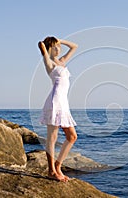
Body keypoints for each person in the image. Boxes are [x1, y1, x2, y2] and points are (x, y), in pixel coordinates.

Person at [38, 36, 78, 182]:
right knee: (52, 137)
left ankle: (57, 165)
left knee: (72, 137)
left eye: (58, 47)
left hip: (63, 103)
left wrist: (60, 40)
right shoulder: (48, 62)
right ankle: (51, 171)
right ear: (49, 49)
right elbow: (40, 44)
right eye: (54, 47)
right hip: (54, 102)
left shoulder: (61, 62)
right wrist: (47, 47)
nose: (58, 49)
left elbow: (75, 46)